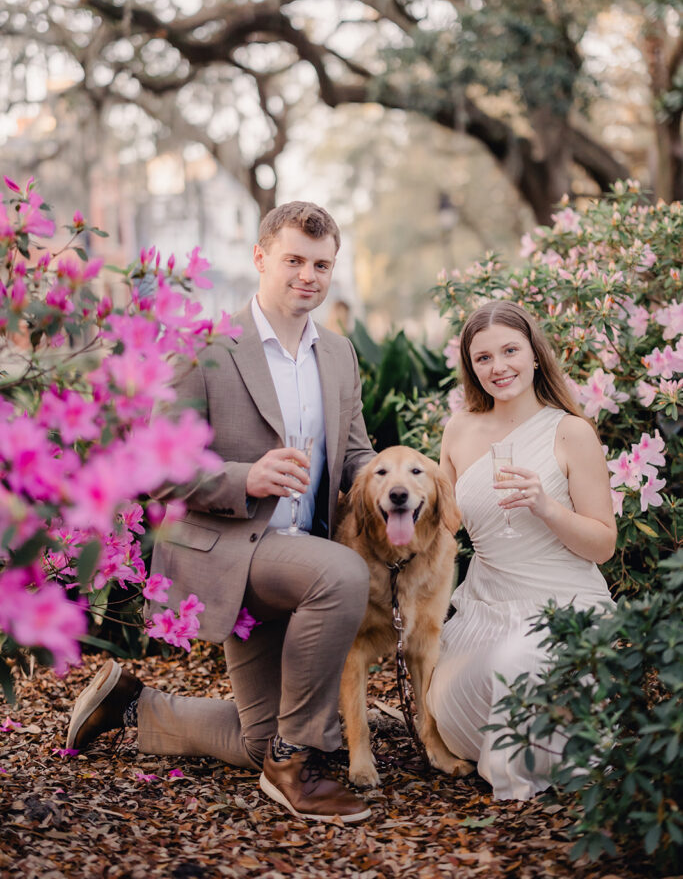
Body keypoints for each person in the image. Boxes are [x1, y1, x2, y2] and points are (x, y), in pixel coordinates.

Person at [67, 201, 376, 822]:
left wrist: (397, 483)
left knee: (259, 741)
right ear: (260, 257)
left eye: (321, 264)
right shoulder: (206, 348)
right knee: (342, 574)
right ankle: (296, 763)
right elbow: (160, 469)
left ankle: (132, 706)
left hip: (300, 554)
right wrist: (247, 476)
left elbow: (356, 456)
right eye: (293, 259)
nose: (307, 275)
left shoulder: (339, 354)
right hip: (231, 551)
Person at [426, 300, 617, 801]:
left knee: (517, 665)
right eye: (483, 357)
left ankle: (527, 775)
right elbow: (442, 527)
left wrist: (546, 506)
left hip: (563, 604)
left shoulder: (571, 432)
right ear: (471, 367)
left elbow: (603, 545)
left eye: (510, 350)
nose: (499, 367)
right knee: (448, 705)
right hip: (485, 605)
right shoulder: (459, 430)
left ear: (534, 355)